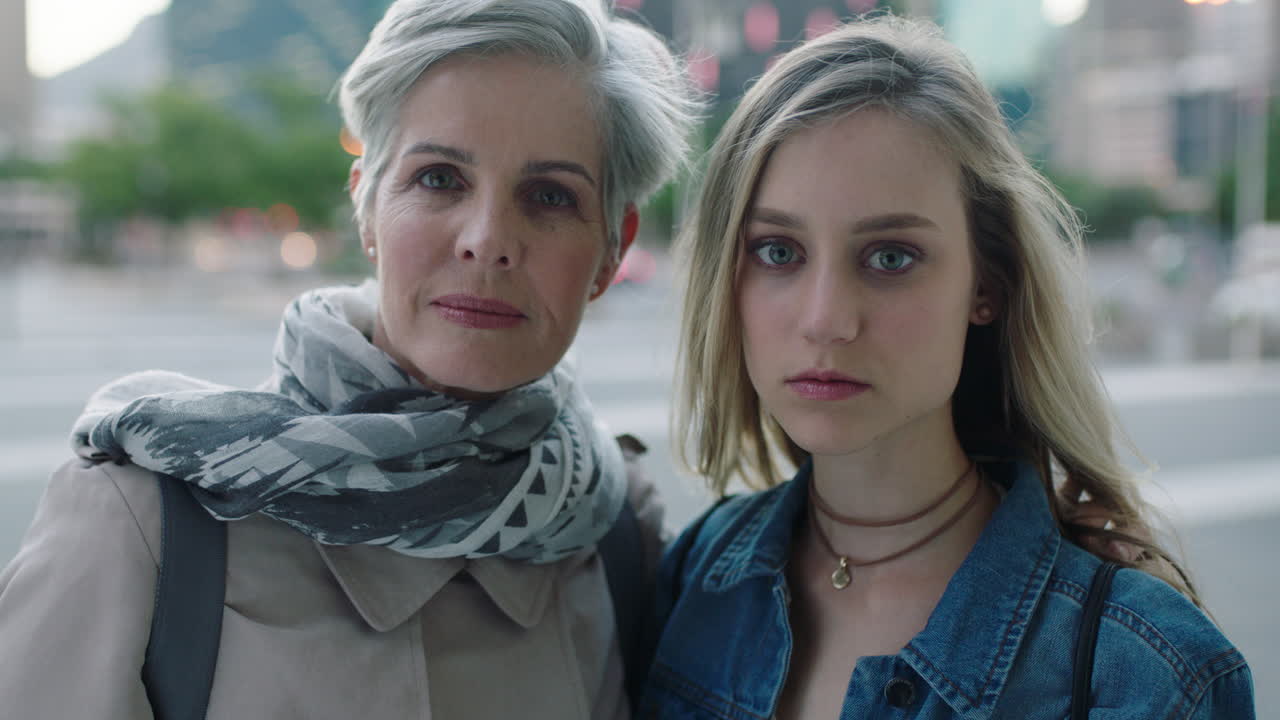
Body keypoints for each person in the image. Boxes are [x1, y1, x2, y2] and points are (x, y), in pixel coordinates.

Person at [0, 1, 699, 718]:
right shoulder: (142, 521)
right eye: (439, 179)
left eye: (549, 196)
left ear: (612, 249)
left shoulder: (619, 526)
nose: (487, 239)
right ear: (366, 204)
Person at [639, 15, 1254, 720]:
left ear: (985, 286)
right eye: (778, 251)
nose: (825, 320)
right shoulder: (696, 574)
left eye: (890, 257)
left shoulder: (1148, 672)